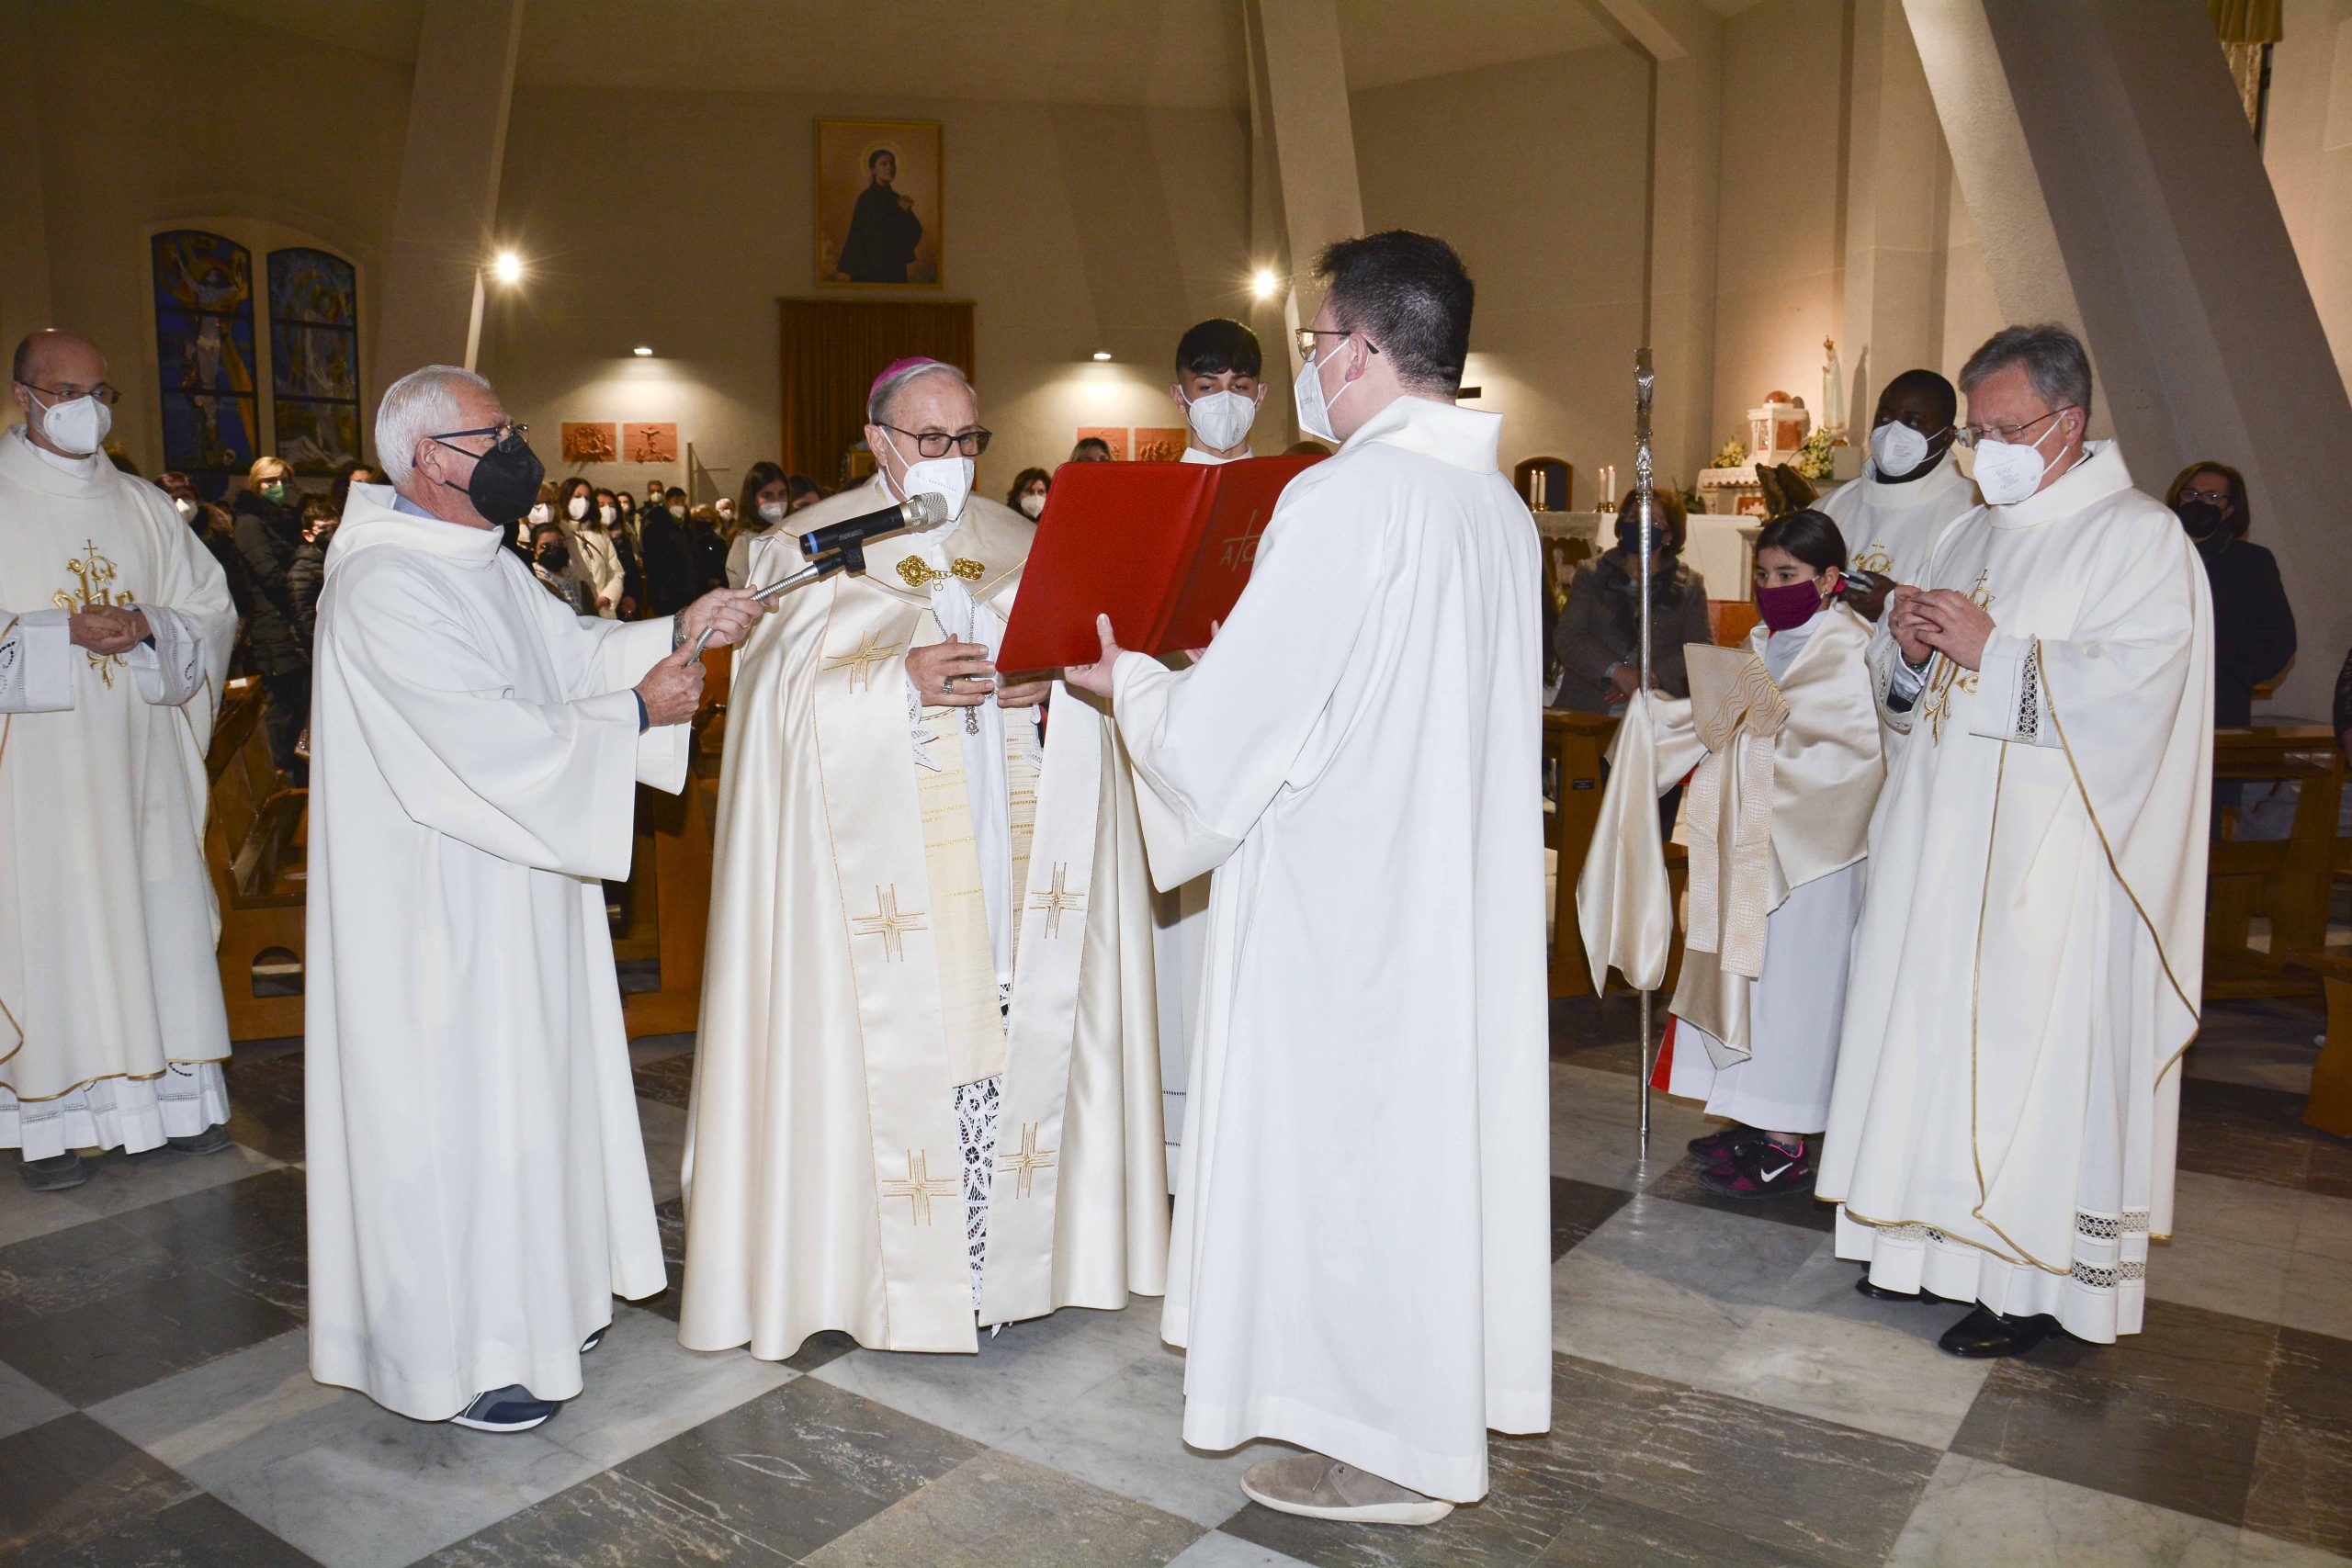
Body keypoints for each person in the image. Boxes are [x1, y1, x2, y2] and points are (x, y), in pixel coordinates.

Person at [1067, 231, 1546, 1523]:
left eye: (1318, 342)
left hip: (1349, 905)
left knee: (1347, 1165)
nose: (1309, 368)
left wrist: (1138, 689)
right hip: (1440, 895)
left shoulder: (1348, 496)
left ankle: (1384, 1446)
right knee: (1416, 1163)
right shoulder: (1490, 506)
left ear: (1370, 347)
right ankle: (1413, 1425)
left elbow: (1233, 737)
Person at [304, 363, 765, 1432]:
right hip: (437, 911)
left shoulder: (476, 560)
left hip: (519, 886)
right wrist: (633, 719)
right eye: (492, 435)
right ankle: (457, 1355)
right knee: (455, 1116)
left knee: (528, 1102)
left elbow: (569, 657)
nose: (518, 451)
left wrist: (674, 632)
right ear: (427, 460)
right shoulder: (385, 582)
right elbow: (478, 740)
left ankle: (539, 1307)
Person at [680, 355, 1168, 1362]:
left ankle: (1012, 1261)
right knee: (909, 1042)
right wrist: (891, 681)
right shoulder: (805, 548)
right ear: (878, 442)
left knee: (1008, 1014)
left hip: (1007, 842)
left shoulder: (1018, 539)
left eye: (967, 440)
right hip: (875, 879)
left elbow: (1087, 660)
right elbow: (769, 705)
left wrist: (1054, 692)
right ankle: (881, 1270)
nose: (950, 459)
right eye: (929, 440)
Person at [1819, 324, 2211, 1359]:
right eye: (1974, 432)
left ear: (2067, 423)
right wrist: (1902, 658)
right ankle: (1922, 1250)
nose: (1980, 449)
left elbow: (2144, 695)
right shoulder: (1966, 534)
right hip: (1939, 848)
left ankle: (2029, 1284)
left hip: (2052, 865)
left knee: (2025, 1061)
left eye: (2002, 429)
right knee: (1930, 1048)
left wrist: (2000, 655)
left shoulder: (2138, 538)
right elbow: (1904, 706)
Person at [1582, 510, 1883, 1200]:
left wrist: (1744, 744)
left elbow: (1852, 756)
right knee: (1747, 980)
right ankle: (1750, 1116)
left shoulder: (1848, 646)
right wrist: (1664, 718)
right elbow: (1728, 722)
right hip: (1751, 843)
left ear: (1830, 579)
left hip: (1812, 858)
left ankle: (1786, 1137)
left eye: (1789, 575)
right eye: (1763, 573)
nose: (1771, 586)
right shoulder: (1762, 642)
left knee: (1794, 994)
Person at [1, 329, 238, 1190]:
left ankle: (176, 1104)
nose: (87, 410)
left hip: (141, 772)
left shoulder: (141, 502)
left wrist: (149, 626)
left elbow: (209, 611)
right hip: (35, 782)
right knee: (53, 930)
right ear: (25, 395)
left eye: (101, 392)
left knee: (156, 915)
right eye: (67, 392)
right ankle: (52, 1125)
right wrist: (49, 633)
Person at [1152, 317, 1269, 1182]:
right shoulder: (1149, 497)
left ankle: (1251, 1120)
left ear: (1260, 395)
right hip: (1173, 731)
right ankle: (1168, 1138)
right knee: (1177, 943)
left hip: (1265, 743)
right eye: (1206, 382)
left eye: (1238, 384)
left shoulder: (1296, 492)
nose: (1221, 399)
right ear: (1177, 394)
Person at [1816, 369, 1975, 620]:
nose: (1892, 432)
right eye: (1885, 417)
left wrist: (1896, 605)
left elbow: (1974, 611)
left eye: (1913, 422)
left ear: (1947, 437)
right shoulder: (1829, 507)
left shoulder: (1973, 511)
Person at [1554, 487, 1713, 714]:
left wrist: (1647, 678)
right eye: (1634, 518)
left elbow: (1700, 650)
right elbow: (1568, 637)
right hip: (1591, 702)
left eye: (1653, 521)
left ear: (1668, 535)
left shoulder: (1689, 586)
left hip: (1659, 707)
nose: (1642, 526)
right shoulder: (1591, 573)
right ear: (1622, 524)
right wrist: (1616, 672)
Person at [2167, 461, 2293, 728]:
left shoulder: (2251, 563)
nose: (2199, 502)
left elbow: (2279, 640)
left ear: (2230, 509)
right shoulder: (2149, 554)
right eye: (2190, 494)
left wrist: (2233, 677)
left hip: (2220, 705)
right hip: (2154, 703)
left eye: (2213, 497)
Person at [232, 453, 312, 783]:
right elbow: (270, 574)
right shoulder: (250, 523)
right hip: (273, 625)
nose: (277, 487)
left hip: (290, 623)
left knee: (296, 704)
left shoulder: (286, 519)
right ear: (256, 484)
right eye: (269, 481)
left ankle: (292, 774)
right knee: (281, 706)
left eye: (282, 480)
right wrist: (301, 588)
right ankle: (274, 777)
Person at [1170, 317, 1265, 464]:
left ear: (1260, 396)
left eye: (1239, 386)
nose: (1225, 398)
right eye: (1206, 387)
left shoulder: (1285, 486)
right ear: (1179, 397)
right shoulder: (1163, 486)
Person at [835, 147, 923, 283]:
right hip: (869, 268)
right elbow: (874, 233)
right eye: (884, 164)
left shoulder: (897, 199)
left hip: (893, 266)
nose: (890, 167)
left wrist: (907, 213)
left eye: (892, 163)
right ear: (873, 170)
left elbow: (915, 231)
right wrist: (899, 213)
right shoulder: (867, 198)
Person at [724, 460, 793, 590]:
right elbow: (754, 589)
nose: (777, 502)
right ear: (753, 500)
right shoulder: (745, 541)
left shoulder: (790, 532)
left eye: (782, 494)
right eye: (768, 496)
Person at [639, 485, 696, 615]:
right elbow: (653, 558)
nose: (680, 505)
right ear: (667, 502)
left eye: (682, 501)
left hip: (685, 586)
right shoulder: (655, 522)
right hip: (665, 589)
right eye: (676, 502)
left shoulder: (685, 523)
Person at [289, 495, 336, 653]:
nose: (331, 535)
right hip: (318, 651)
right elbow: (305, 620)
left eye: (335, 528)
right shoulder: (301, 570)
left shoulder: (336, 562)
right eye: (323, 530)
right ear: (308, 535)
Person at [530, 519, 597, 615]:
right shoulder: (534, 586)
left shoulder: (580, 585)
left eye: (559, 543)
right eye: (545, 546)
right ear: (535, 552)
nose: (554, 549)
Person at [686, 502, 729, 596]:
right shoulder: (688, 540)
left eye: (707, 518)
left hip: (714, 588)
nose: (704, 521)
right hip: (693, 588)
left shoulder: (719, 542)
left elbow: (723, 563)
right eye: (700, 518)